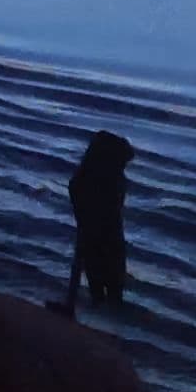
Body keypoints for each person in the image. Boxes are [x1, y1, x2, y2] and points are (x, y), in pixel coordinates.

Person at [67, 130, 134, 311]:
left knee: (88, 265)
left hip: (98, 226)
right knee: (103, 273)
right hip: (103, 228)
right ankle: (79, 307)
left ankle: (74, 305)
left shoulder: (98, 176)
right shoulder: (109, 180)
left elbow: (76, 191)